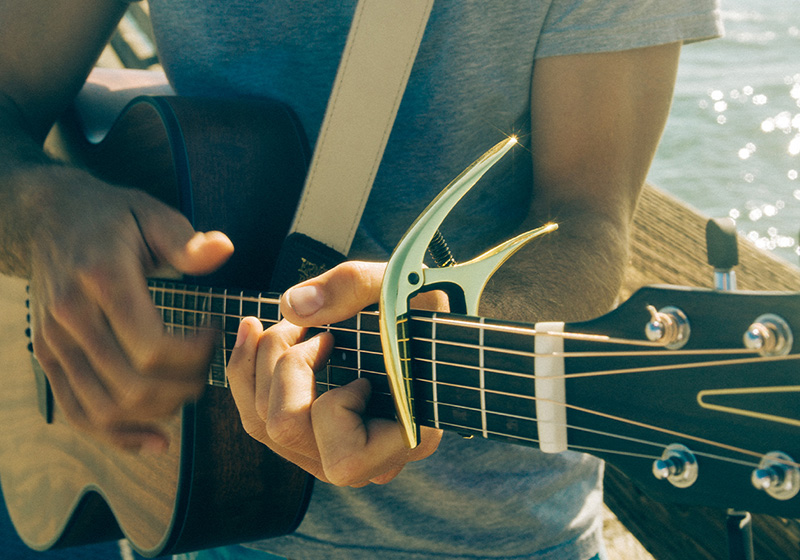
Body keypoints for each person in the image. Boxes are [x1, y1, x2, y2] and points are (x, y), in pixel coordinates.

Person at [0, 1, 722, 559]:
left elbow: (587, 219)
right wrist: (40, 209)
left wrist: (448, 314)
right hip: (183, 503)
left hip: (492, 535)